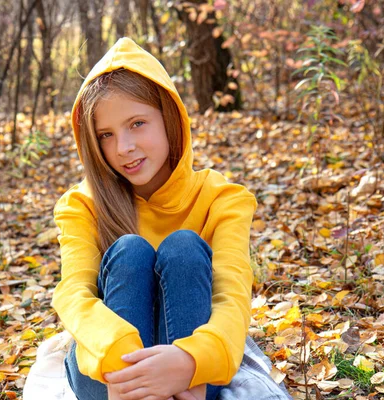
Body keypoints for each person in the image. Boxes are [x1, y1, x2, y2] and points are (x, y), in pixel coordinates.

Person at [51, 37, 279, 400]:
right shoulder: (82, 205)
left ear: (170, 118)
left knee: (184, 246)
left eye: (137, 123)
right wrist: (124, 358)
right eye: (106, 135)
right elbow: (74, 294)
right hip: (113, 377)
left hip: (191, 372)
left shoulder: (223, 198)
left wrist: (191, 361)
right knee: (129, 251)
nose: (123, 147)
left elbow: (231, 296)